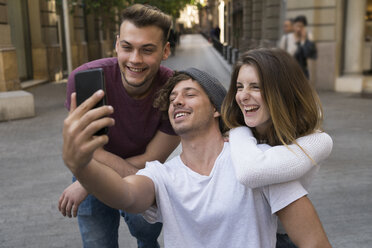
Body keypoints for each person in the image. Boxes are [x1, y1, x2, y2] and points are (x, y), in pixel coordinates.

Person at [61, 67, 332, 248]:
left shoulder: (260, 163)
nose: (177, 102)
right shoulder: (162, 175)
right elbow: (125, 195)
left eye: (189, 94)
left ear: (216, 108)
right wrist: (82, 166)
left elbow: (314, 242)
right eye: (173, 99)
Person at [58, 4, 180, 248]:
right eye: (127, 47)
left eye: (147, 50)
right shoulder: (86, 79)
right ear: (116, 44)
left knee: (147, 234)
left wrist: (86, 183)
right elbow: (88, 149)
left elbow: (152, 157)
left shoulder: (174, 89)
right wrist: (89, 178)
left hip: (142, 173)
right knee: (98, 243)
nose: (135, 59)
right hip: (91, 166)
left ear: (165, 50)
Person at [221, 48, 333, 247]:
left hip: (281, 238)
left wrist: (238, 131)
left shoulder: (318, 141)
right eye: (239, 87)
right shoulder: (236, 135)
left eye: (255, 87)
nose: (243, 96)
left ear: (283, 91)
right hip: (235, 235)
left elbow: (252, 171)